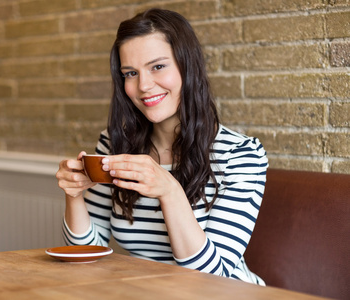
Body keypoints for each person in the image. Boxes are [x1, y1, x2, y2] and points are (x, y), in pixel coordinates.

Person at [56, 8, 268, 285]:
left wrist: (169, 190)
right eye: (130, 73)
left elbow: (213, 278)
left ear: (187, 66)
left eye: (157, 66)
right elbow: (85, 253)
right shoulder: (114, 144)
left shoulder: (241, 155)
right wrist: (73, 195)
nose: (143, 85)